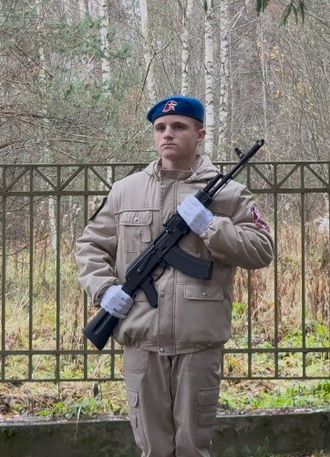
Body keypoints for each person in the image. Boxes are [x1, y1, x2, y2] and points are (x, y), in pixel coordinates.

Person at [75, 95, 274, 457]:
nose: (168, 134)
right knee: (152, 447)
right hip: (142, 340)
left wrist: (211, 226)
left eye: (179, 127)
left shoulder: (228, 193)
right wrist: (103, 290)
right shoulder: (126, 190)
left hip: (197, 343)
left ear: (199, 134)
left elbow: (262, 250)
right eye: (160, 128)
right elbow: (90, 247)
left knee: (192, 447)